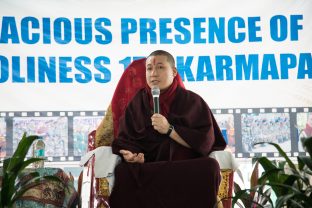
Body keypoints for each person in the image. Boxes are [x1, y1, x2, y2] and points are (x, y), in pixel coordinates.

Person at [109, 50, 226, 208]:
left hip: (183, 166)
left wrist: (170, 129)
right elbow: (125, 139)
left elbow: (205, 141)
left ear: (174, 72)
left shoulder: (192, 101)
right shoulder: (137, 103)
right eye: (149, 68)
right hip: (149, 166)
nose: (153, 73)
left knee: (210, 167)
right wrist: (133, 155)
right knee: (123, 172)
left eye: (160, 67)